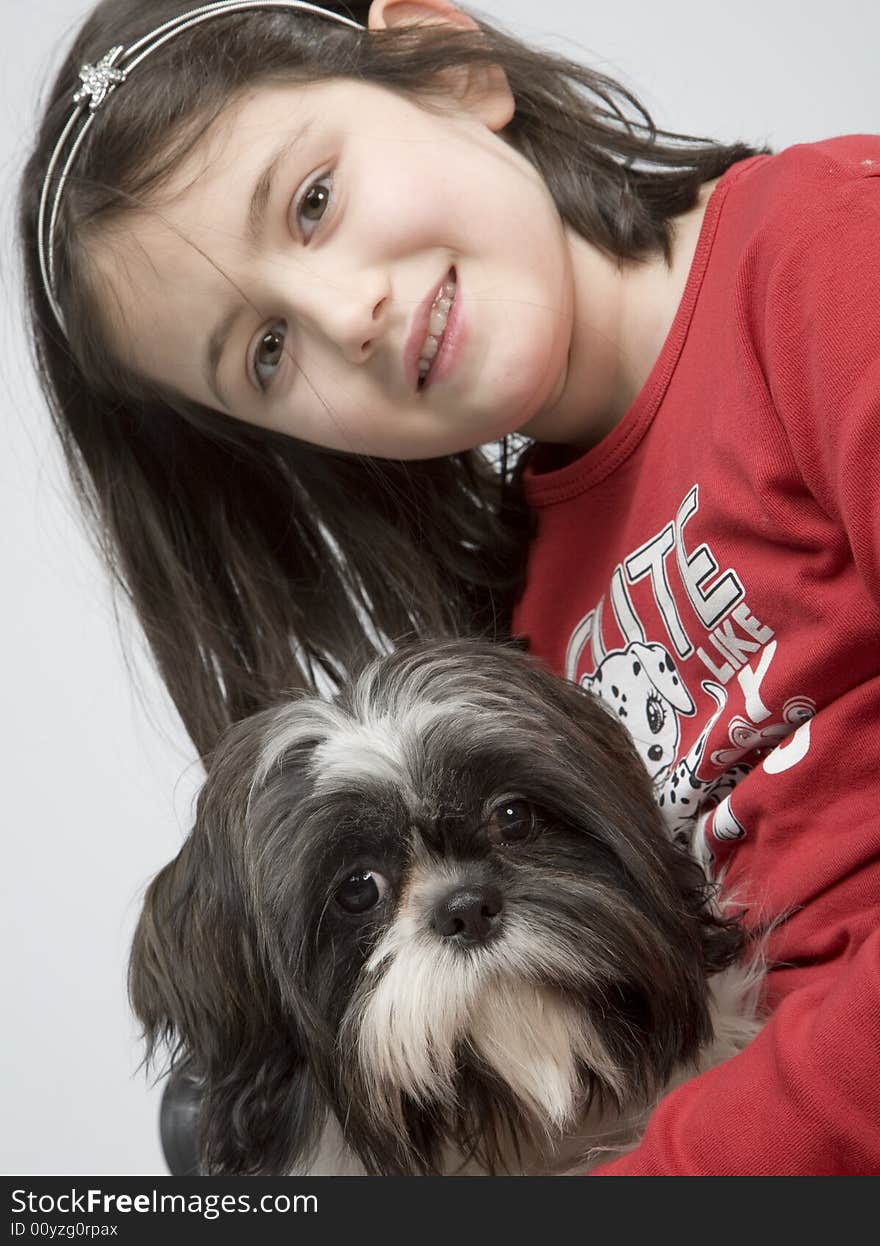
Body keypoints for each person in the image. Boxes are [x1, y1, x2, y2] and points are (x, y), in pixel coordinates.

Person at [18, 0, 879, 1175]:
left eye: (312, 200)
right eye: (266, 352)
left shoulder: (831, 261)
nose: (342, 316)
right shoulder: (518, 605)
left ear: (451, 61)